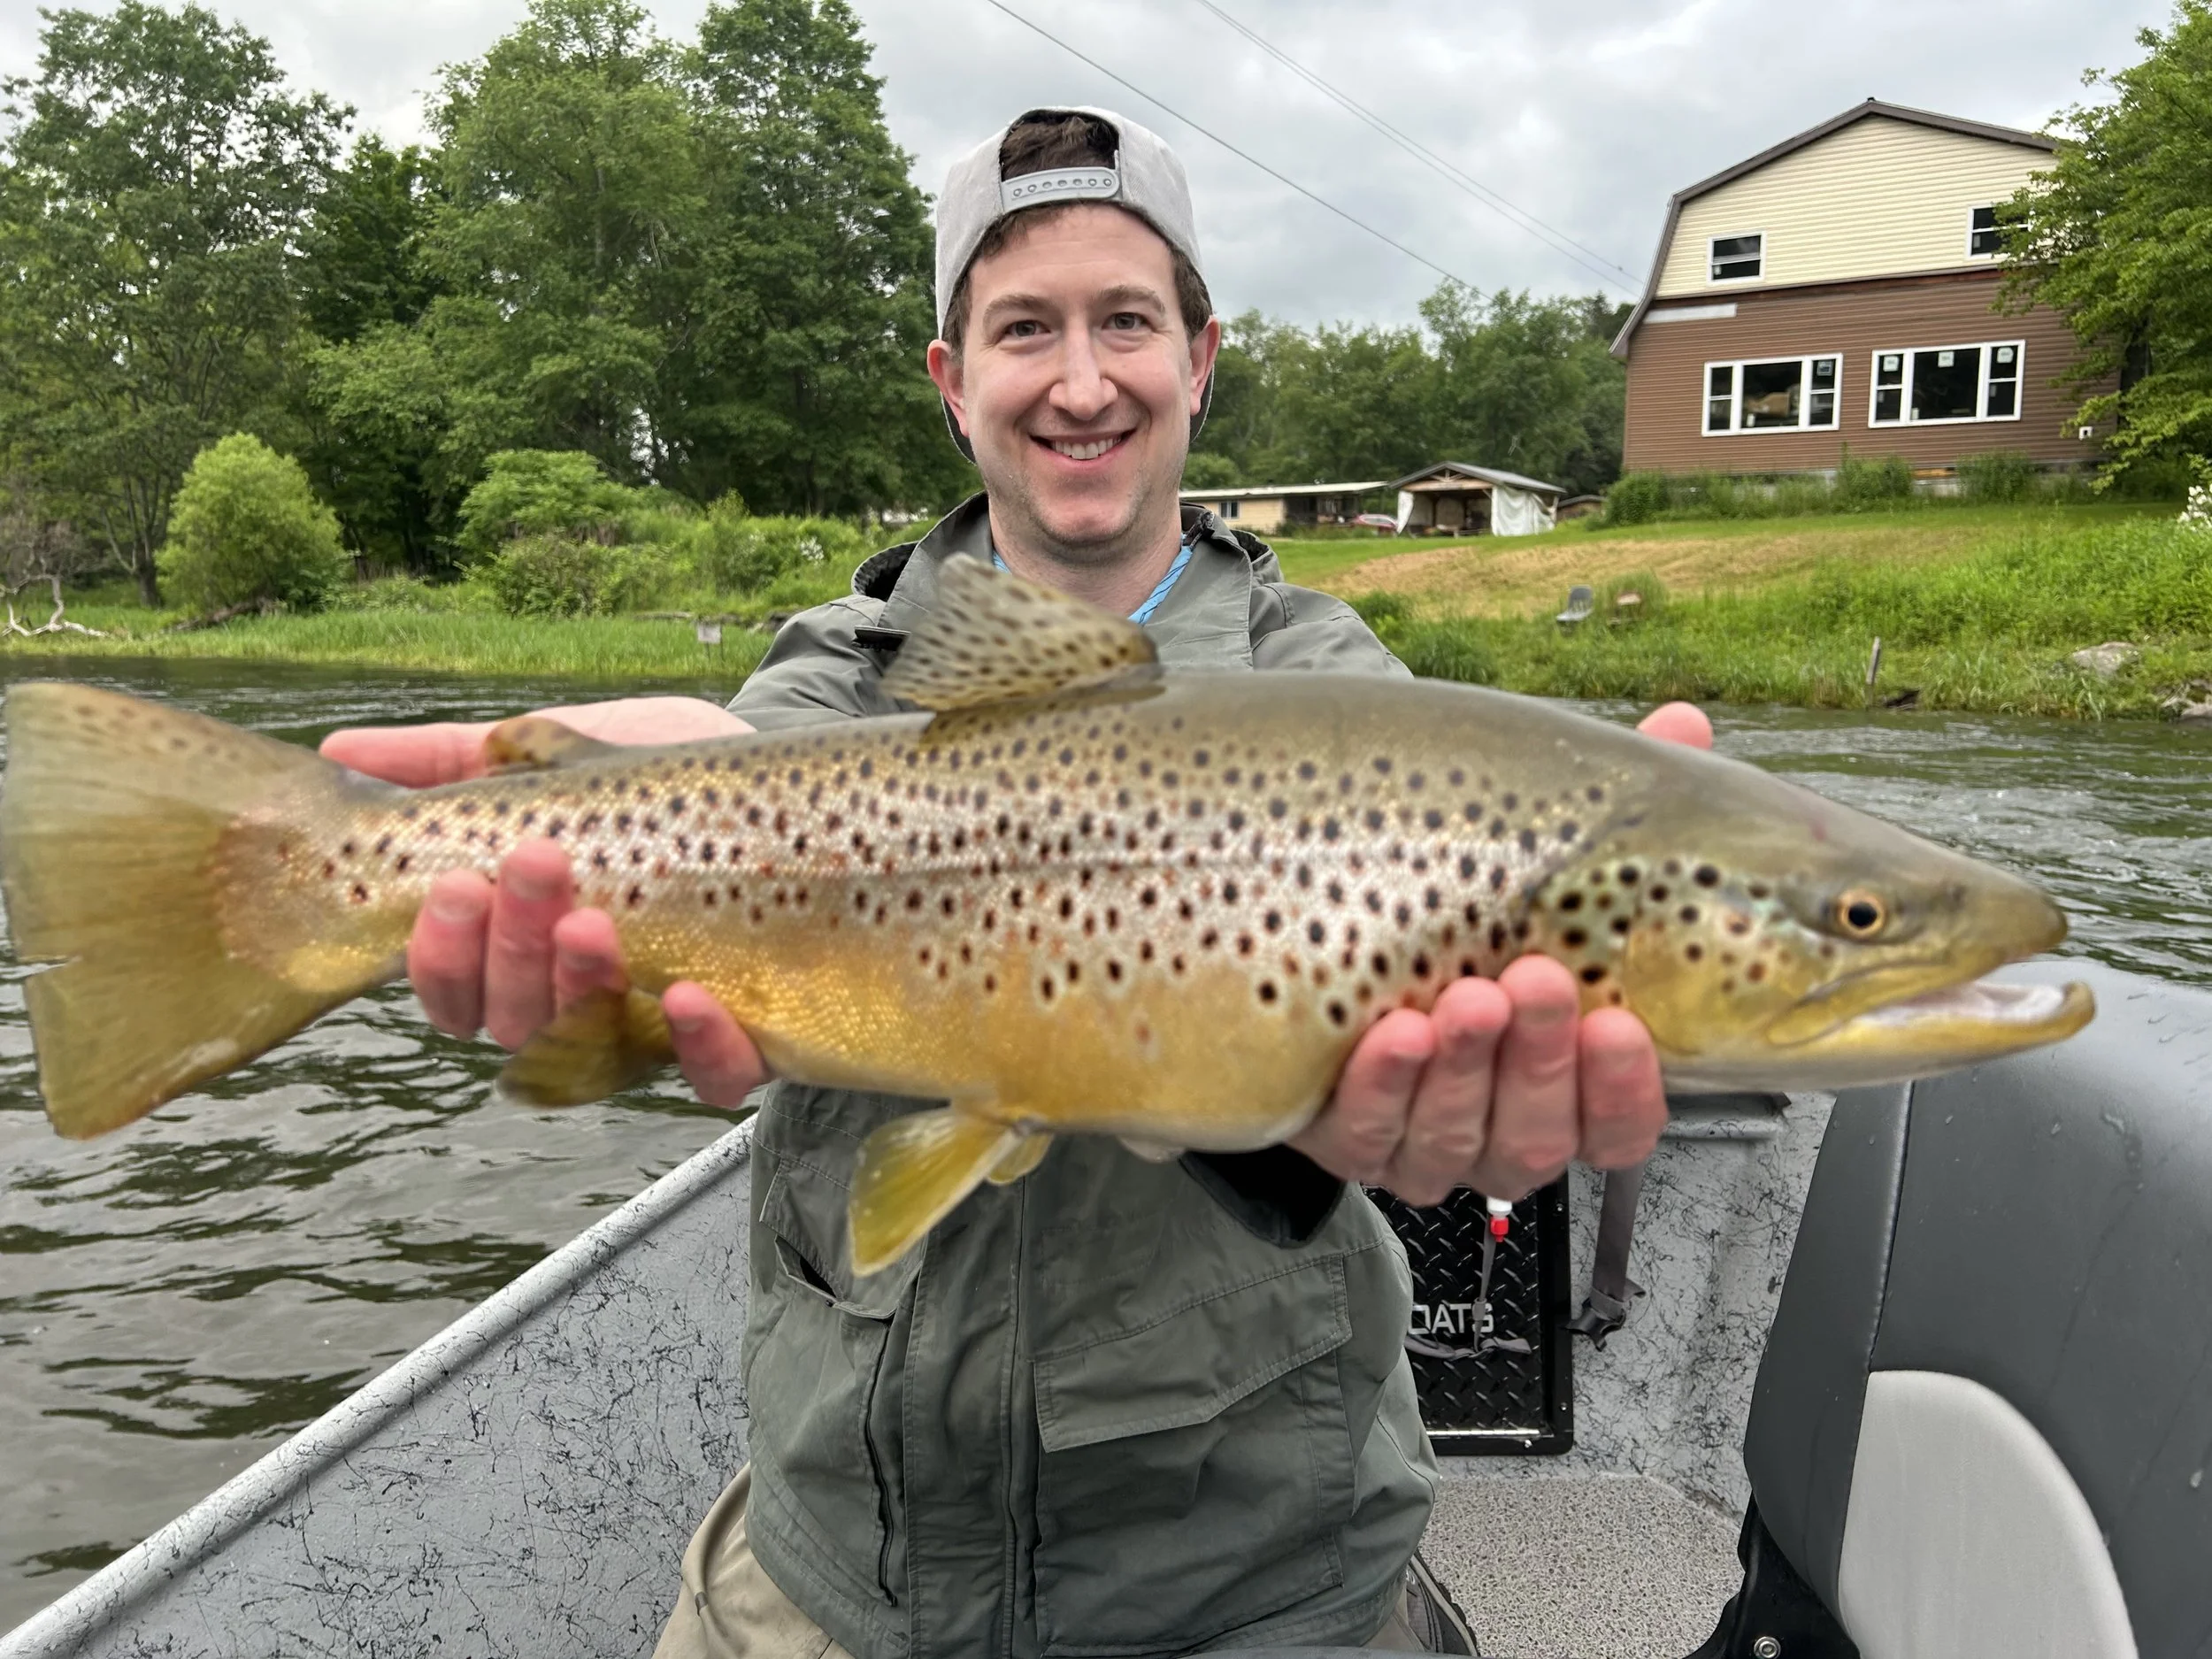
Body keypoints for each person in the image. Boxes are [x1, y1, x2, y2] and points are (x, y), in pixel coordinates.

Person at [324, 107, 1709, 1658]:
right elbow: (747, 761)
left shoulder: (1331, 690)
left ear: (1200, 357)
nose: (1079, 378)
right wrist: (599, 809)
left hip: (1258, 1586)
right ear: (950, 380)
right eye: (1023, 329)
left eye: (1127, 320)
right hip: (849, 1563)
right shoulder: (837, 674)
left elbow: (1423, 1103)